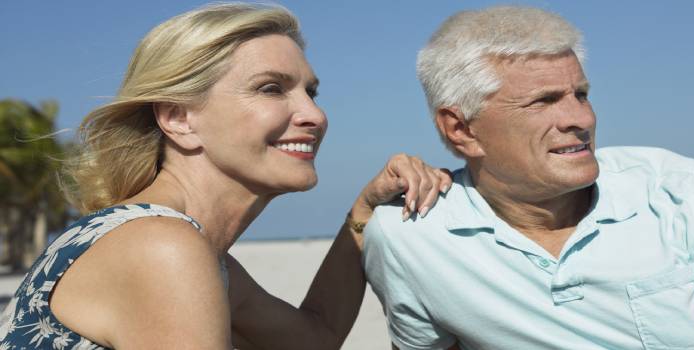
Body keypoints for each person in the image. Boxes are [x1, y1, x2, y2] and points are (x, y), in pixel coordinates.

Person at [0, 3, 451, 349]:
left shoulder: (172, 245)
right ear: (179, 118)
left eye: (310, 92)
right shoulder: (164, 251)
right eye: (271, 88)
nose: (314, 114)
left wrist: (363, 209)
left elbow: (315, 337)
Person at [362, 5, 694, 350]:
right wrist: (363, 209)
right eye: (544, 101)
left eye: (581, 94)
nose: (581, 118)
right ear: (461, 130)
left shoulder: (690, 193)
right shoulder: (411, 236)